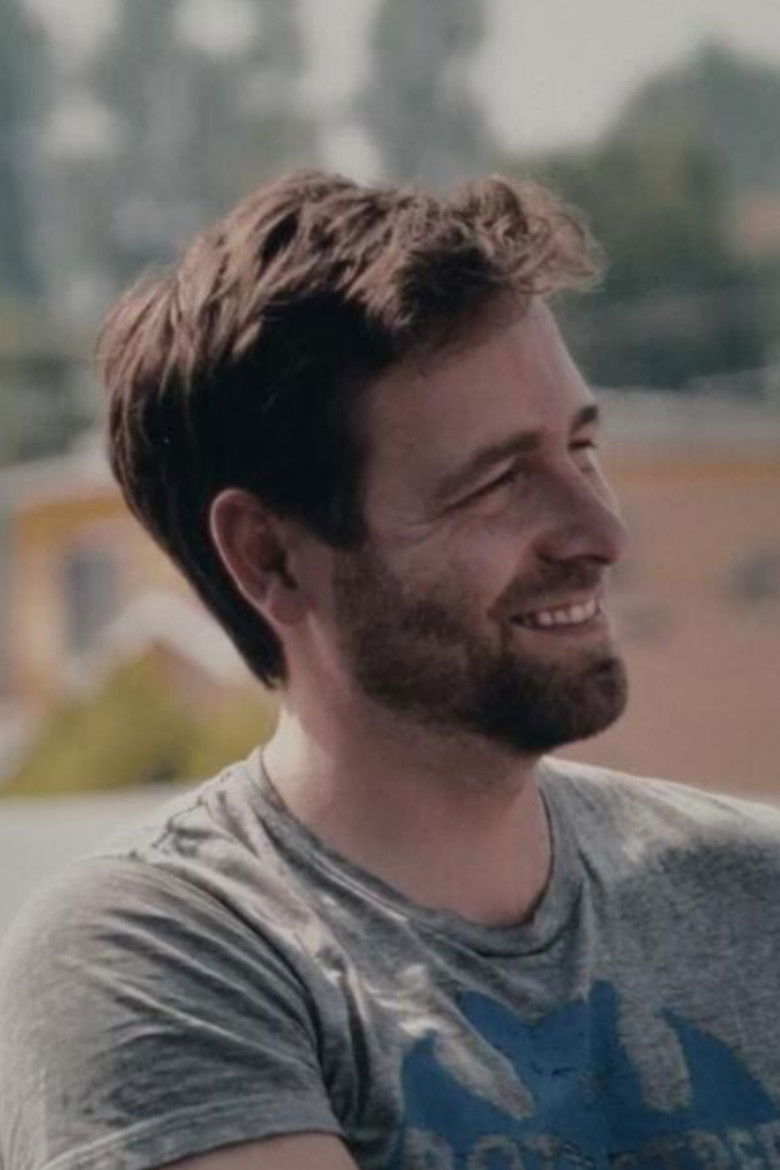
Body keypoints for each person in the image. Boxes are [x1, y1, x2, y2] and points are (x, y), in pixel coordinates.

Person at [1, 170, 780, 1170]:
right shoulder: (162, 956)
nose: (601, 533)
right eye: (499, 482)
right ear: (269, 557)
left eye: (582, 449)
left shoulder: (754, 895)